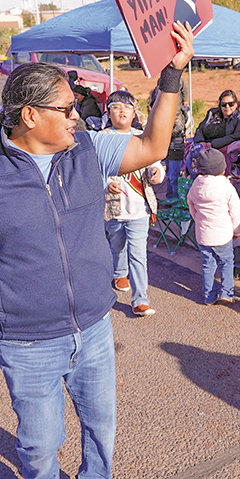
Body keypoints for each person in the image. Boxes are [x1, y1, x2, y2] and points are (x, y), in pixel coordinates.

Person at [0, 21, 194, 479]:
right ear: (29, 115)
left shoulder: (89, 152)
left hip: (93, 324)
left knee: (101, 422)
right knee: (39, 432)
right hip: (26, 337)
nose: (80, 116)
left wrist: (171, 76)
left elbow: (154, 145)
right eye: (67, 109)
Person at [102, 92, 164, 317]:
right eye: (116, 107)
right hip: (114, 207)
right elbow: (94, 171)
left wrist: (157, 173)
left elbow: (156, 162)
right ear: (108, 112)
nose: (122, 111)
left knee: (139, 254)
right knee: (117, 245)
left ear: (134, 112)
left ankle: (140, 300)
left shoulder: (142, 136)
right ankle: (119, 272)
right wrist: (106, 184)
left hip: (140, 207)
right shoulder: (102, 138)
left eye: (127, 107)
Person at [187, 148, 240, 305]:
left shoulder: (196, 184)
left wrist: (197, 218)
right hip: (223, 234)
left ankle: (209, 296)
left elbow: (190, 203)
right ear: (222, 168)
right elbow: (236, 212)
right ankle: (226, 293)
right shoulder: (227, 187)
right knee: (226, 262)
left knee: (207, 264)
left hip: (203, 234)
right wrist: (236, 231)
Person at [149, 75, 189, 200]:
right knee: (168, 175)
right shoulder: (161, 112)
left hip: (175, 148)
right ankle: (169, 197)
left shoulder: (177, 111)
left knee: (173, 176)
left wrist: (162, 132)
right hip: (165, 147)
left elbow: (178, 128)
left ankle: (174, 200)